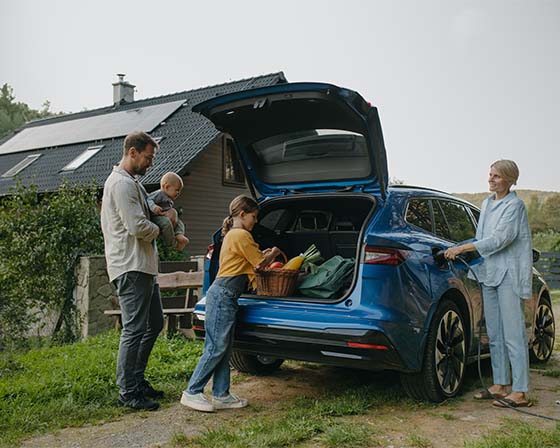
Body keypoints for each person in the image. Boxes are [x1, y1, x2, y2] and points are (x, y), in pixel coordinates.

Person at [444, 159, 533, 408]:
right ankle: (501, 384)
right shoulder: (486, 203)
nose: (491, 179)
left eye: (497, 176)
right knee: (494, 333)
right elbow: (482, 238)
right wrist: (459, 249)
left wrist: (464, 247)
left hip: (509, 275)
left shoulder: (515, 206)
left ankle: (520, 391)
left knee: (513, 334)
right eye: (490, 174)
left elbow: (500, 240)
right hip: (489, 274)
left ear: (509, 179)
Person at [180, 195, 281, 412]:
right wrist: (272, 253)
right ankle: (192, 391)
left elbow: (248, 261)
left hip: (225, 295)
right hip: (223, 295)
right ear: (242, 214)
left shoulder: (234, 235)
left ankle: (221, 394)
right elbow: (260, 264)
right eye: (254, 216)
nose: (255, 221)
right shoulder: (241, 234)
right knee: (216, 347)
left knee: (223, 348)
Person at [100, 131, 164, 411]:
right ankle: (128, 392)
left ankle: (136, 381)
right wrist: (161, 228)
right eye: (148, 157)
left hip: (143, 266)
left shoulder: (132, 183)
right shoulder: (121, 185)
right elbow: (138, 227)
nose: (150, 163)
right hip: (131, 266)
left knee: (155, 324)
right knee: (135, 330)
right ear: (133, 152)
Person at [147, 172, 190, 250]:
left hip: (164, 216)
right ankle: (172, 244)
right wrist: (154, 207)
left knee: (180, 223)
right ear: (166, 187)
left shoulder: (169, 198)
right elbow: (149, 199)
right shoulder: (159, 194)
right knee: (166, 223)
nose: (178, 193)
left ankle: (179, 234)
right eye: (177, 190)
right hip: (157, 216)